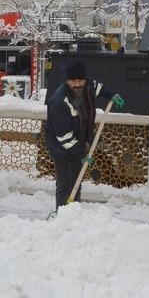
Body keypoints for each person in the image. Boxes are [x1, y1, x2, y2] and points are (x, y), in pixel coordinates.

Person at [45, 60, 124, 210]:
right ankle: (62, 213)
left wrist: (112, 95)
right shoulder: (58, 102)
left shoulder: (87, 86)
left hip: (78, 140)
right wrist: (81, 154)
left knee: (77, 180)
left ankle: (74, 211)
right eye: (73, 81)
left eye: (80, 80)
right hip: (61, 147)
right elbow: (64, 137)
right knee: (66, 183)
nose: (77, 85)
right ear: (67, 81)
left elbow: (98, 87)